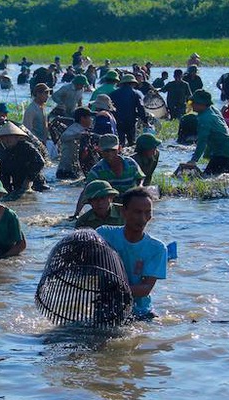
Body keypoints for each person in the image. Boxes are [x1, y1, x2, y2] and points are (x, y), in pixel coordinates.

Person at [96, 187, 167, 319]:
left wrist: (114, 291)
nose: (142, 218)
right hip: (105, 306)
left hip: (140, 312)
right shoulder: (103, 234)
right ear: (123, 212)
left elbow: (146, 288)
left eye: (147, 213)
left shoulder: (157, 248)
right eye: (137, 212)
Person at [186, 89, 229, 175]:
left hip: (223, 152)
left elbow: (202, 141)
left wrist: (193, 160)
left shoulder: (205, 119)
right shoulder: (212, 109)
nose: (191, 105)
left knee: (207, 177)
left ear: (202, 104)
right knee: (228, 177)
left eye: (193, 102)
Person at [0, 121, 48, 196]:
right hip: (18, 188)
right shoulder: (4, 155)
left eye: (10, 136)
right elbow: (4, 177)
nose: (7, 140)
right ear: (0, 140)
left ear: (17, 137)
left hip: (37, 186)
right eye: (4, 137)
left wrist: (28, 181)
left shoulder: (27, 147)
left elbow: (40, 162)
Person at [109, 74, 147, 146]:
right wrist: (144, 120)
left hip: (117, 120)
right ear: (133, 83)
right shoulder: (136, 93)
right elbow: (141, 107)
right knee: (131, 142)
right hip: (131, 121)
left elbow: (109, 107)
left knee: (120, 142)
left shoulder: (113, 94)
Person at [57, 107, 94, 180]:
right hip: (66, 171)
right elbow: (63, 137)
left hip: (73, 170)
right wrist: (78, 135)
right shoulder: (74, 129)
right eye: (90, 117)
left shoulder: (83, 130)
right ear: (83, 118)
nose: (91, 120)